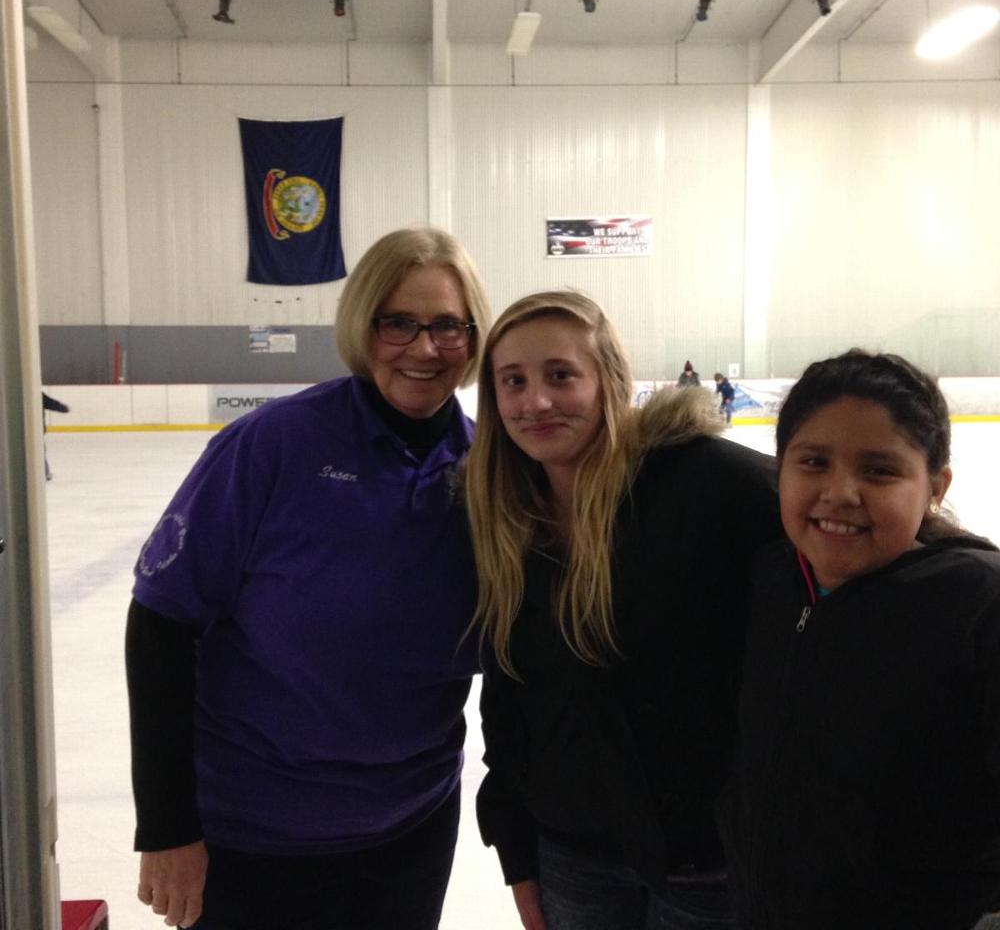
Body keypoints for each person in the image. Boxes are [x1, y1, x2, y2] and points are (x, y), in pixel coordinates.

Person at [125, 227, 491, 930]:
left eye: (448, 325)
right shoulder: (275, 446)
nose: (424, 348)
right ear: (363, 325)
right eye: (399, 323)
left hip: (409, 832)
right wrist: (167, 825)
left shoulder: (489, 472)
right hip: (254, 839)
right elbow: (161, 624)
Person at [465, 291, 781, 930]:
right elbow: (509, 700)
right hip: (572, 859)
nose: (537, 402)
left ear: (608, 380)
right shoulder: (505, 522)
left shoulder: (707, 483)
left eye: (561, 375)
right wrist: (519, 853)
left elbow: (836, 523)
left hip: (711, 868)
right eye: (513, 382)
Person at [722, 349, 1000, 930]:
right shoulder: (772, 579)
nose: (840, 491)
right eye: (814, 462)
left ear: (935, 486)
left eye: (879, 470)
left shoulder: (977, 605)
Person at [42, 391, 70, 480]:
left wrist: (62, 407)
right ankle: (44, 473)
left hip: (36, 429)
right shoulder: (34, 393)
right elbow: (50, 402)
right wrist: (62, 408)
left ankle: (44, 472)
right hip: (36, 429)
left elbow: (49, 402)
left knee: (39, 450)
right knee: (39, 450)